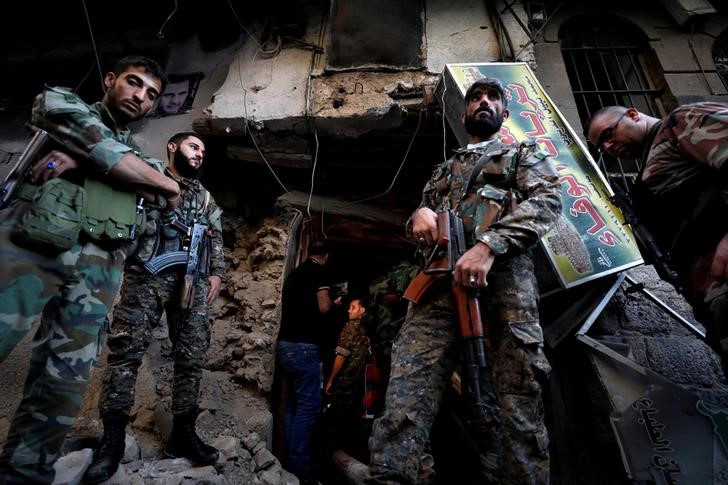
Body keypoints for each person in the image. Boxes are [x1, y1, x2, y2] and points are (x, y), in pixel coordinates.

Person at [367, 77, 562, 484]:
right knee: (407, 391)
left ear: (505, 114)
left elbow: (546, 202)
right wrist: (417, 215)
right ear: (464, 113)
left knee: (518, 400)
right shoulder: (445, 168)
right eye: (476, 98)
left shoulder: (520, 155)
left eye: (493, 98)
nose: (484, 103)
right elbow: (423, 216)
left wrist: (489, 245)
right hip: (437, 286)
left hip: (504, 285)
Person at [0, 55, 180, 484]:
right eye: (134, 83)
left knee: (62, 386)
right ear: (111, 79)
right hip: (34, 247)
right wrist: (133, 172)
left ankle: (24, 475)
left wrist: (82, 160)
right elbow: (90, 136)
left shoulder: (143, 156)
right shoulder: (63, 102)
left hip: (97, 272)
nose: (140, 96)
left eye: (151, 94)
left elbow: (163, 193)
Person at [83, 132, 225, 482]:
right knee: (126, 352)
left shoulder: (204, 197)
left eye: (204, 151)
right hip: (147, 273)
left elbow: (215, 234)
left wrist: (217, 273)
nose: (200, 155)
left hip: (191, 278)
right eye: (194, 147)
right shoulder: (151, 175)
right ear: (173, 147)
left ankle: (183, 432)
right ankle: (113, 439)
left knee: (191, 357)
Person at [586, 103, 728, 371]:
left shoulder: (679, 121)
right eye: (600, 145)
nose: (607, 147)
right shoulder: (651, 162)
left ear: (632, 114)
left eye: (608, 134)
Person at [276, 240, 340, 484]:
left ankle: (290, 465)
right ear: (325, 256)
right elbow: (323, 308)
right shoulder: (318, 271)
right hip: (304, 347)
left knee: (294, 404)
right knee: (309, 407)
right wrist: (335, 304)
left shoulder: (294, 274)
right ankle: (300, 468)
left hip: (285, 346)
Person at [322, 298, 371, 456]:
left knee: (333, 420)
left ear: (362, 311)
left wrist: (330, 380)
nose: (349, 310)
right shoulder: (370, 328)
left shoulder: (350, 327)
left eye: (353, 307)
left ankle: (328, 455)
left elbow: (341, 356)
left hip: (346, 381)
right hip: (362, 383)